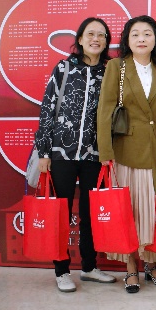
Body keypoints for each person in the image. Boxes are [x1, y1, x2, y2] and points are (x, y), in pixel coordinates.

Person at [32, 16, 116, 292]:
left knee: (92, 214)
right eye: (90, 34)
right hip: (61, 153)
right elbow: (48, 108)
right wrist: (44, 151)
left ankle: (89, 267)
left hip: (95, 154)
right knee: (61, 212)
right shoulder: (65, 67)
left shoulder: (110, 71)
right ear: (80, 39)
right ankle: (61, 270)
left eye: (101, 35)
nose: (96, 39)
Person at [97, 15, 156, 294]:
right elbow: (105, 110)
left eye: (147, 34)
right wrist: (105, 151)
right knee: (128, 212)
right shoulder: (117, 67)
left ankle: (152, 265)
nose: (141, 39)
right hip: (124, 151)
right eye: (135, 34)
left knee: (152, 211)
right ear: (127, 40)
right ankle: (131, 268)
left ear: (155, 39)